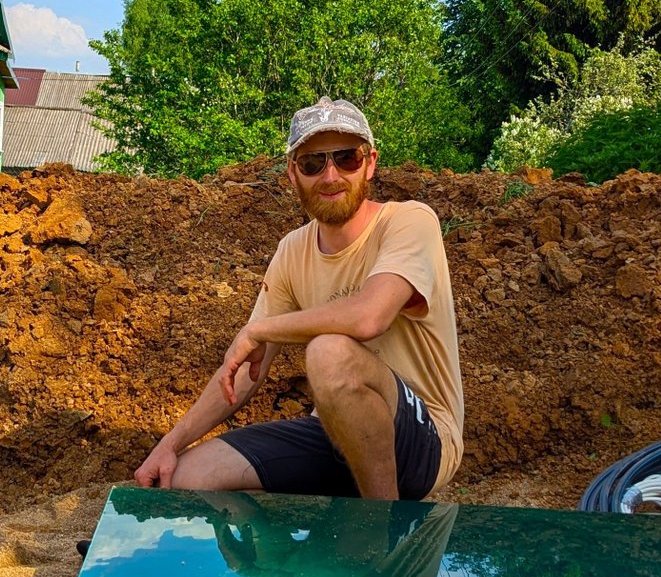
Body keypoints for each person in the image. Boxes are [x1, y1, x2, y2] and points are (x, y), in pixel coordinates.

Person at [132, 97, 464, 501]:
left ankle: (380, 531)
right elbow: (243, 370)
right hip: (335, 435)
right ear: (292, 173)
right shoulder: (292, 250)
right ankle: (281, 558)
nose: (330, 176)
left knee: (328, 353)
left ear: (370, 163)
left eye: (346, 158)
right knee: (189, 475)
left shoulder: (409, 221)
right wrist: (171, 442)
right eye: (312, 163)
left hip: (423, 439)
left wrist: (261, 328)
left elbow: (369, 317)